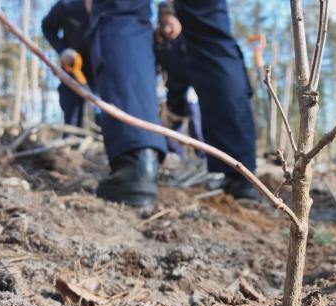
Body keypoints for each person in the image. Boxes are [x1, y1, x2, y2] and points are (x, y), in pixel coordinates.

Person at [89, 0, 258, 207]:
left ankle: (135, 162)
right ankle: (242, 175)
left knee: (123, 12)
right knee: (210, 28)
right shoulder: (163, 45)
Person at [153, 2, 204, 159]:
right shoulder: (158, 41)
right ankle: (175, 155)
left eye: (170, 24)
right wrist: (158, 85)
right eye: (163, 25)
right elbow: (155, 66)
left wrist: (196, 84)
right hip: (172, 88)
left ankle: (203, 155)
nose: (167, 29)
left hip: (192, 87)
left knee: (196, 120)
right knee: (171, 124)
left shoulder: (190, 37)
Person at [42, 0, 93, 127]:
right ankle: (72, 137)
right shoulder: (66, 5)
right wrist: (63, 50)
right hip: (73, 68)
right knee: (72, 116)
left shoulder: (112, 6)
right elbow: (47, 27)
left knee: (105, 115)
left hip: (102, 69)